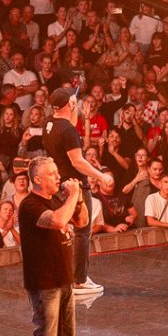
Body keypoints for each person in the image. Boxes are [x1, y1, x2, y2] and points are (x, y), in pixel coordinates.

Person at [18, 155, 93, 336]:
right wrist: (72, 195)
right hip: (44, 282)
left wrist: (79, 197)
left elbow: (81, 222)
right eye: (51, 173)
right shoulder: (30, 205)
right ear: (38, 179)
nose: (58, 177)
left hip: (64, 279)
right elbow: (59, 221)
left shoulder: (58, 199)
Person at [41, 85, 111, 302]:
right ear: (70, 104)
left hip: (58, 183)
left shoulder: (49, 124)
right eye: (74, 102)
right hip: (75, 186)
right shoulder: (68, 130)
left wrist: (79, 116)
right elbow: (77, 161)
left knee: (62, 231)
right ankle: (80, 280)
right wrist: (101, 176)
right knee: (82, 231)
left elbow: (66, 130)